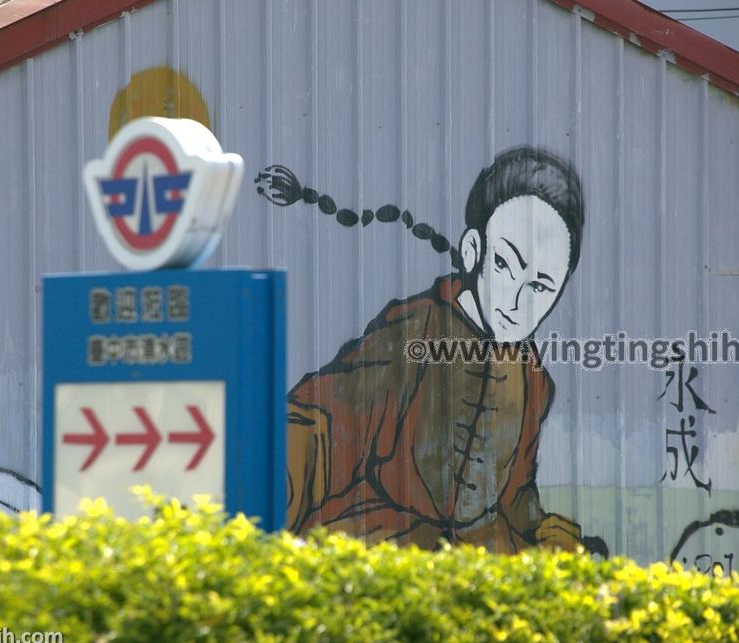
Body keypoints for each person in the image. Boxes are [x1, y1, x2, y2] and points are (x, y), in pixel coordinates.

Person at [257, 147, 604, 554]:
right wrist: (272, 480)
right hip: (380, 550)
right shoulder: (416, 335)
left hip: (478, 560)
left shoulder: (532, 379)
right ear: (474, 250)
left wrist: (545, 535)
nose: (517, 299)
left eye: (541, 286)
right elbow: (325, 422)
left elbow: (515, 497)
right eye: (506, 265)